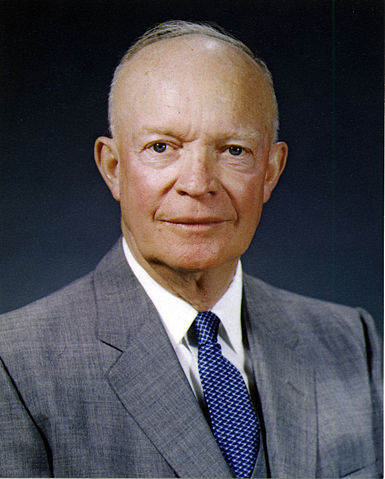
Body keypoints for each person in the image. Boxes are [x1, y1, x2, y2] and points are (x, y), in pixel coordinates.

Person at [0, 20, 382, 479]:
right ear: (113, 167)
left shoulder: (349, 341)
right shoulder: (16, 365)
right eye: (162, 146)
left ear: (271, 171)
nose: (198, 184)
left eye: (234, 150)